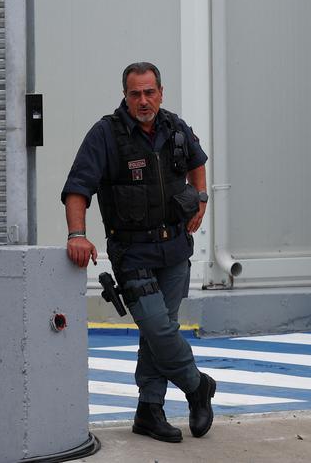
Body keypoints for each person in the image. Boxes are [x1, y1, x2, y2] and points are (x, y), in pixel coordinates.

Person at [62, 61, 216, 443]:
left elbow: (199, 164)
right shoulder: (106, 135)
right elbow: (78, 188)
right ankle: (198, 386)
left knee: (157, 333)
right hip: (132, 252)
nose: (143, 100)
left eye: (150, 92)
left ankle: (149, 410)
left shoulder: (175, 128)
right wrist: (77, 234)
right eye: (135, 94)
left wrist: (201, 199)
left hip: (175, 248)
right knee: (158, 326)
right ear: (125, 96)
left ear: (161, 93)